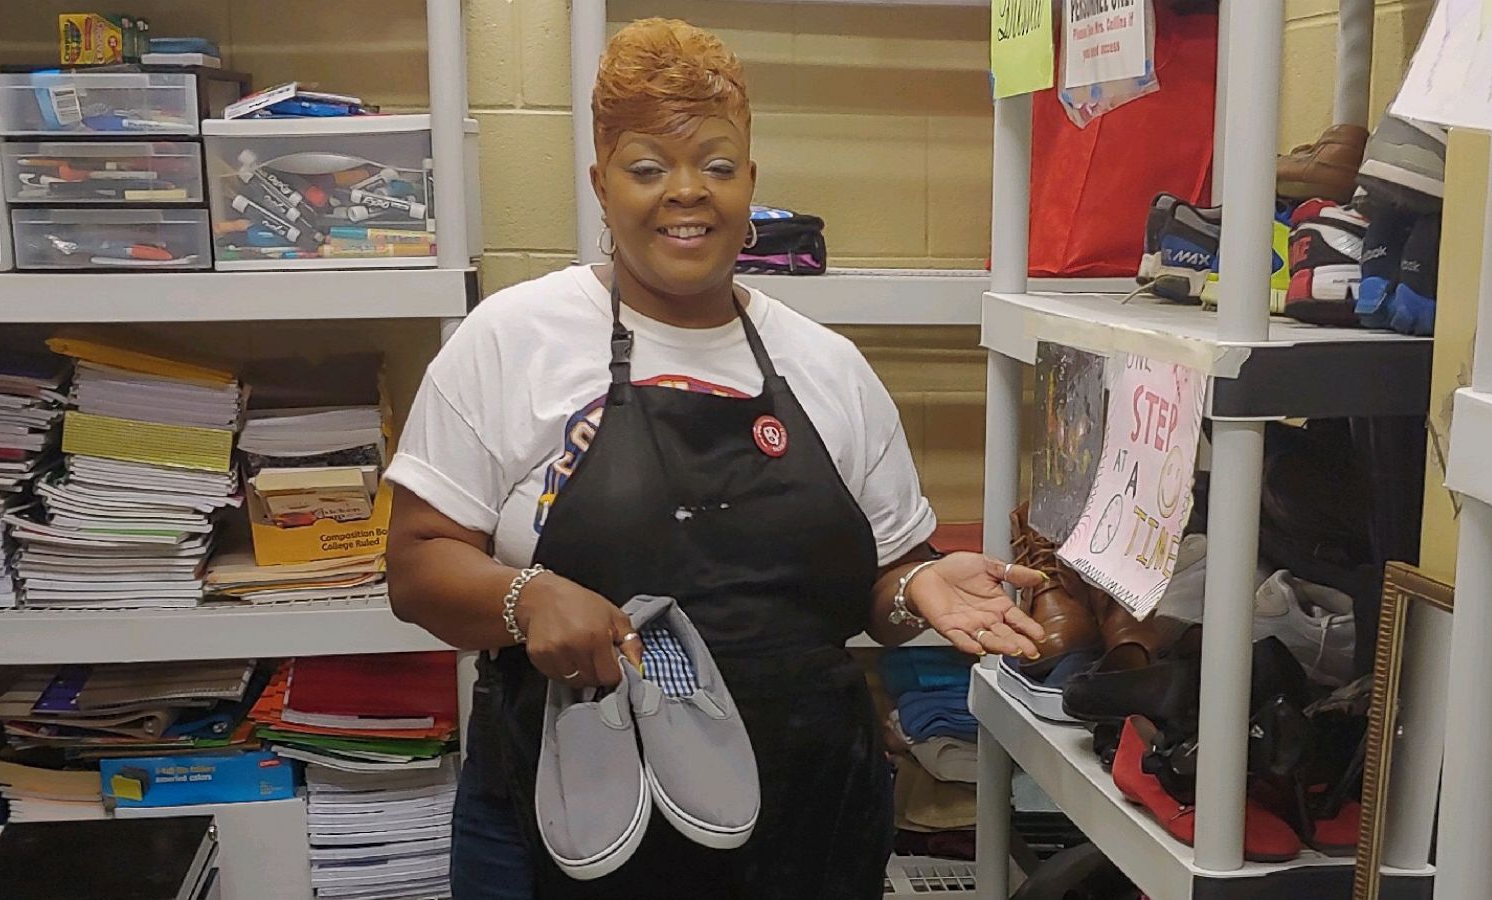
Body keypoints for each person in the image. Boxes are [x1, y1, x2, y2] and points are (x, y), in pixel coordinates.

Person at [384, 18, 1046, 900]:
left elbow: (880, 594)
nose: (686, 193)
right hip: (570, 822)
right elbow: (416, 567)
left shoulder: (826, 367)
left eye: (719, 166)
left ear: (751, 182)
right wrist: (526, 595)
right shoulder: (514, 339)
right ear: (601, 183)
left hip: (804, 828)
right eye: (648, 166)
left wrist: (914, 588)